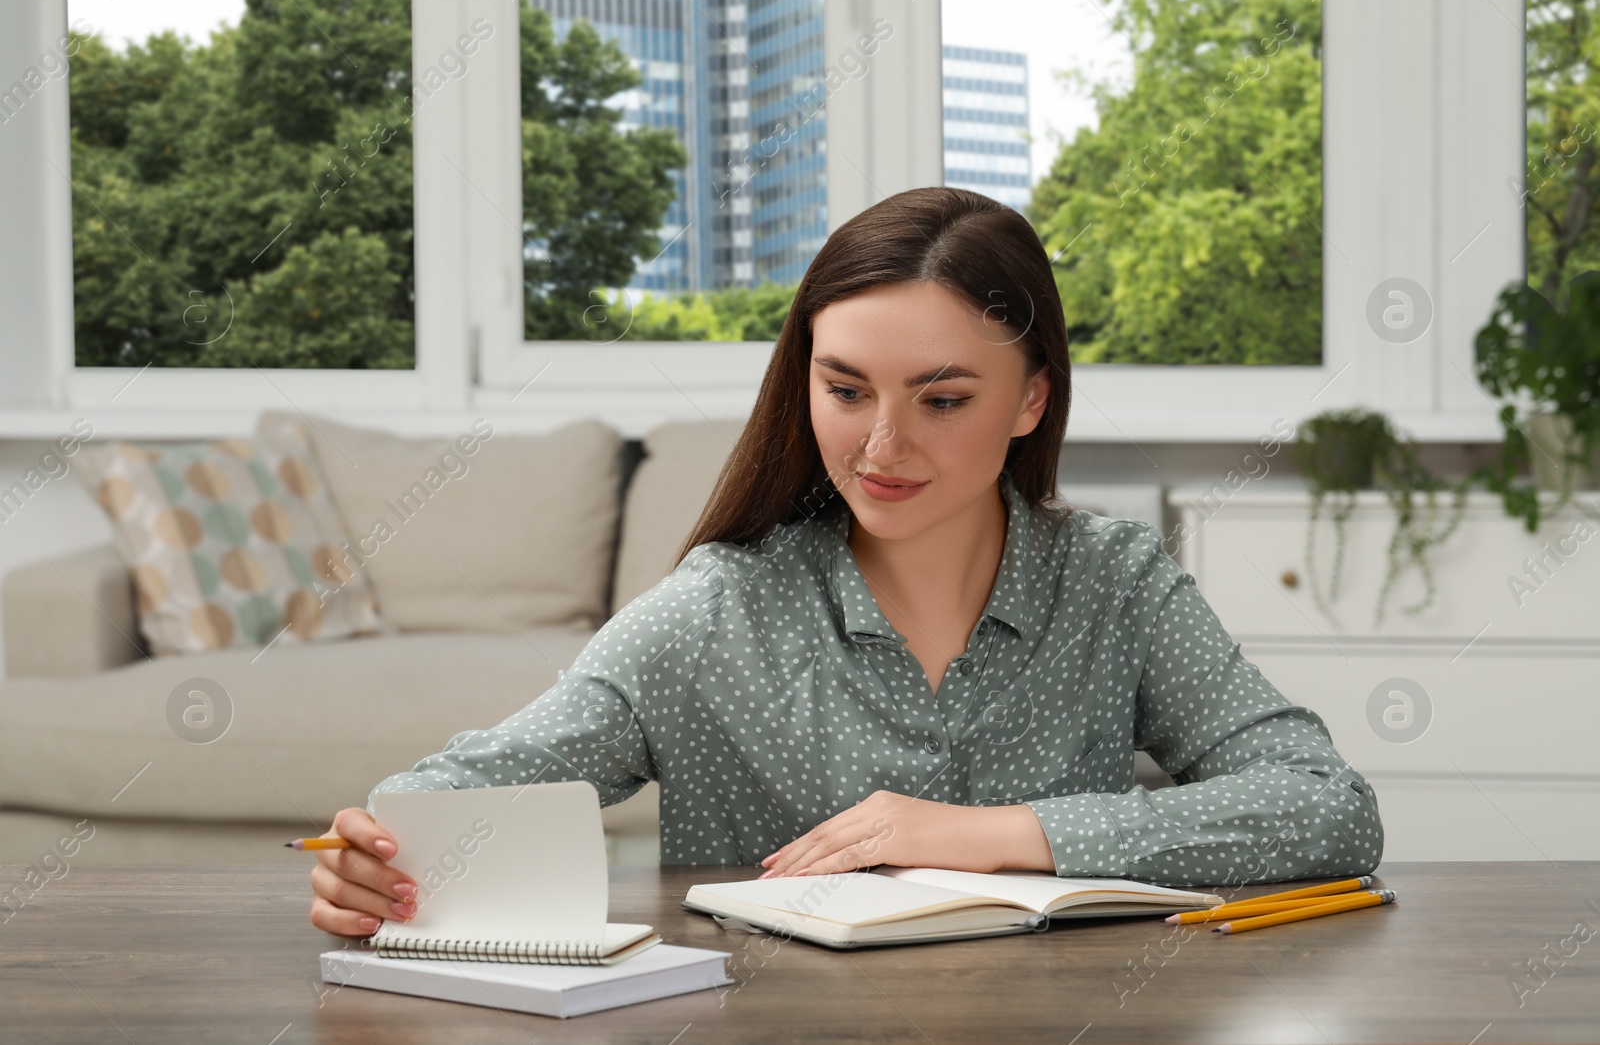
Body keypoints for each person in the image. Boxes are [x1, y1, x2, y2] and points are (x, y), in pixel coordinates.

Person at [308, 186, 1383, 938]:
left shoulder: (1111, 580)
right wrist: (376, 855)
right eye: (846, 387)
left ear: (1032, 398)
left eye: (942, 398)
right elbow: (444, 795)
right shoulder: (715, 612)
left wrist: (991, 836)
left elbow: (1326, 807)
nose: (880, 446)